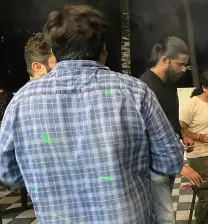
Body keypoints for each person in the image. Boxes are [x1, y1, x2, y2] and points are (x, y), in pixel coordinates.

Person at [0, 5, 184, 224]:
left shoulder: (21, 101)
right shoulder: (134, 92)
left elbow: (9, 174)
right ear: (103, 48)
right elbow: (171, 160)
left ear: (54, 50)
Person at [140, 36, 202, 224]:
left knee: (162, 214)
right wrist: (179, 165)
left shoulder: (169, 84)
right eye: (180, 64)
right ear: (165, 60)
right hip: (154, 166)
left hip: (168, 163)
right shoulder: (145, 87)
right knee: (165, 217)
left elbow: (169, 120)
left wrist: (183, 136)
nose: (184, 69)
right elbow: (148, 134)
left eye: (186, 65)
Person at [179, 69, 208, 224]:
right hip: (200, 157)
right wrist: (199, 137)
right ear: (204, 87)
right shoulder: (193, 104)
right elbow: (181, 128)